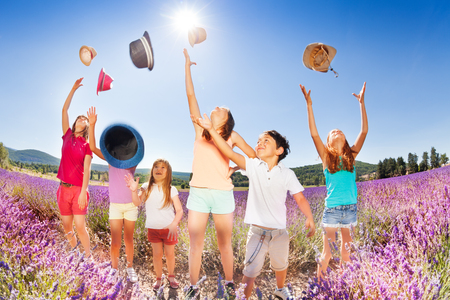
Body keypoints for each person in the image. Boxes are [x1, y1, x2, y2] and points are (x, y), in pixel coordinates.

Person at [192, 114, 316, 300]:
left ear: (279, 150)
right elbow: (229, 152)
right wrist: (210, 129)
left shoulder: (287, 174)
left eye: (266, 140)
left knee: (281, 265)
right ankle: (243, 297)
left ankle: (280, 289)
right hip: (257, 233)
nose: (260, 143)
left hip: (280, 232)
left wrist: (309, 217)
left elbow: (300, 198)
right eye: (258, 141)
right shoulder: (253, 166)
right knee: (249, 272)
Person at [183, 48, 257, 299]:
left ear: (225, 122)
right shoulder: (199, 130)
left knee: (225, 244)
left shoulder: (232, 136)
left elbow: (252, 156)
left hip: (224, 194)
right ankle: (193, 286)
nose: (214, 107)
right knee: (196, 244)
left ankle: (228, 283)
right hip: (199, 194)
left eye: (221, 108)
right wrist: (187, 66)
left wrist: (240, 166)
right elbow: (190, 95)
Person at [299, 82, 368, 279]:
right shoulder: (326, 157)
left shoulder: (351, 156)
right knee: (327, 253)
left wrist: (361, 104)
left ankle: (348, 288)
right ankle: (319, 288)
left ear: (345, 140)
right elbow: (314, 133)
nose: (337, 131)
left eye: (340, 130)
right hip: (332, 210)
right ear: (328, 142)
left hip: (350, 209)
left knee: (347, 254)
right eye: (332, 132)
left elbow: (363, 132)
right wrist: (309, 105)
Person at [86, 106, 139, 283]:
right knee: (115, 241)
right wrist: (92, 125)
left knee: (129, 240)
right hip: (115, 206)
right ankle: (114, 269)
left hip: (131, 206)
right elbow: (93, 147)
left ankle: (130, 267)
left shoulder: (132, 162)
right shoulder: (111, 160)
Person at [124, 159, 183, 291]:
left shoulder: (171, 189)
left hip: (169, 229)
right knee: (156, 255)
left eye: (163, 167)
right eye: (156, 166)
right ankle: (158, 278)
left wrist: (174, 224)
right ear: (152, 170)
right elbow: (137, 202)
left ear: (168, 173)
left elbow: (179, 210)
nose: (159, 169)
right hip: (153, 228)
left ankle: (171, 276)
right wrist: (134, 190)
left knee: (170, 254)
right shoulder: (146, 186)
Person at [57, 77, 93, 258]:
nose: (81, 119)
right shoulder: (67, 135)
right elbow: (65, 109)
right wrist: (73, 89)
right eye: (79, 118)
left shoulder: (87, 145)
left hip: (79, 190)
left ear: (86, 126)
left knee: (80, 226)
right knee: (67, 227)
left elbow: (87, 170)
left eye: (84, 119)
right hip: (63, 189)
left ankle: (88, 257)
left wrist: (83, 192)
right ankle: (74, 254)